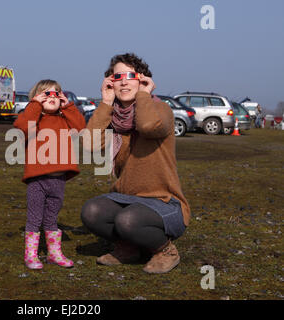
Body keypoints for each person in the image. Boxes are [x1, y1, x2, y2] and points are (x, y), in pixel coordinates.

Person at [81, 53, 191, 274]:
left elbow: (148, 126)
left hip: (164, 202)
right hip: (126, 197)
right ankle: (129, 248)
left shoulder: (161, 110)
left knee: (127, 220)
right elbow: (89, 144)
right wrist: (105, 103)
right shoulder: (113, 118)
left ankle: (165, 250)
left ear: (142, 79)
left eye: (130, 75)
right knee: (91, 212)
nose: (123, 81)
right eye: (117, 76)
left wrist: (143, 95)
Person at [13, 80, 86, 270]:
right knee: (35, 217)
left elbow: (80, 127)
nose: (52, 97)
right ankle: (31, 255)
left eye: (56, 93)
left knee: (52, 217)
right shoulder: (33, 120)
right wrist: (35, 105)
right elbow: (21, 126)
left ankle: (54, 253)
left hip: (58, 179)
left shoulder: (64, 119)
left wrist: (68, 105)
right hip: (37, 179)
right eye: (46, 94)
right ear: (36, 97)